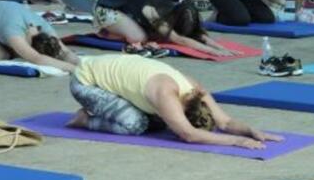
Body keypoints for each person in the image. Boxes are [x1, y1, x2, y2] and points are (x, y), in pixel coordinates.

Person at [67, 53, 277, 146]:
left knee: (157, 123)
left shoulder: (197, 91)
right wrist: (236, 141)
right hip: (85, 83)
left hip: (105, 68)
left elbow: (225, 122)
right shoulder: (166, 93)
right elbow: (189, 134)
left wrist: (250, 131)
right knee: (136, 124)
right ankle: (85, 120)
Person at [94, 0, 231, 57]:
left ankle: (124, 25)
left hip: (126, 6)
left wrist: (222, 47)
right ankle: (105, 32)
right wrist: (211, 51)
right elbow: (179, 39)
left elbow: (197, 33)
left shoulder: (172, 7)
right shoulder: (154, 13)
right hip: (105, 7)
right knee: (138, 38)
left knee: (156, 35)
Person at [0, 0, 79, 73]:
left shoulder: (45, 27)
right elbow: (37, 58)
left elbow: (65, 51)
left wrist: (84, 65)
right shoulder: (13, 30)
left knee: (14, 51)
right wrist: (75, 70)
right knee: (1, 56)